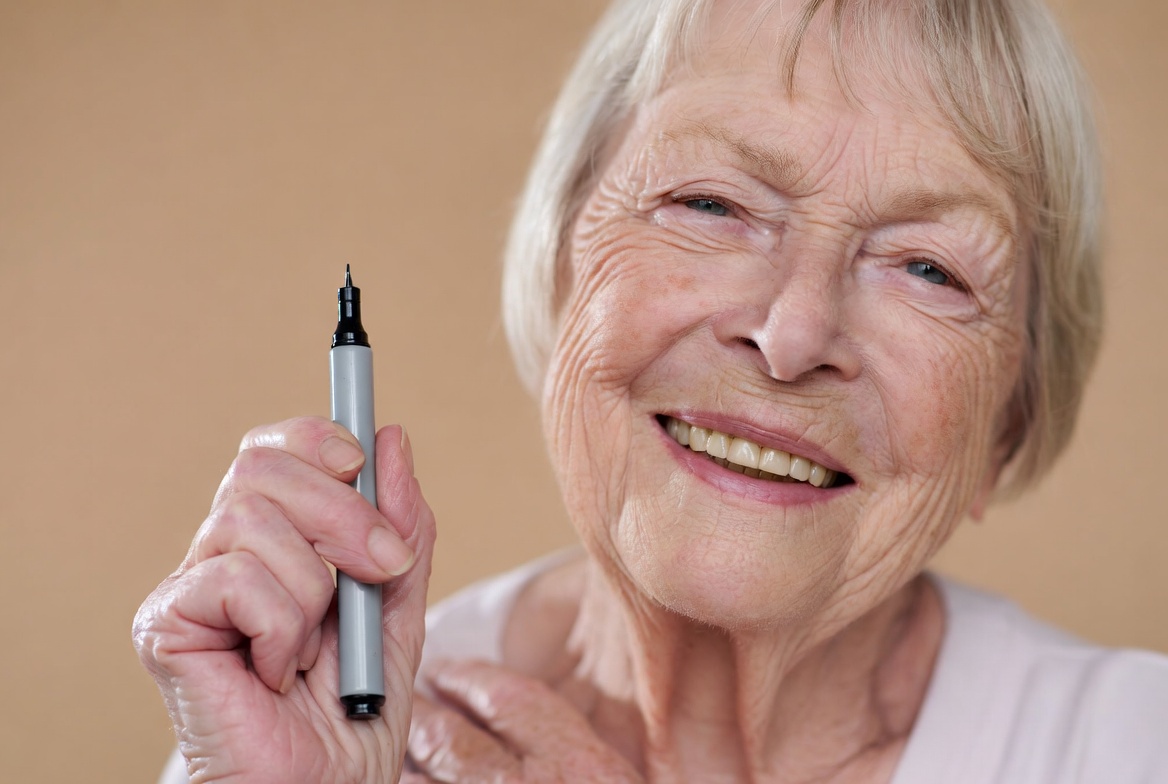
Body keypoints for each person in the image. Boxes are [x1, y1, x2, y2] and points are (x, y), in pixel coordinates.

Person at [135, 0, 1168, 781]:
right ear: (560, 268)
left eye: (929, 269)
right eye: (710, 202)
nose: (790, 333)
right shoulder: (323, 730)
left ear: (1006, 422)